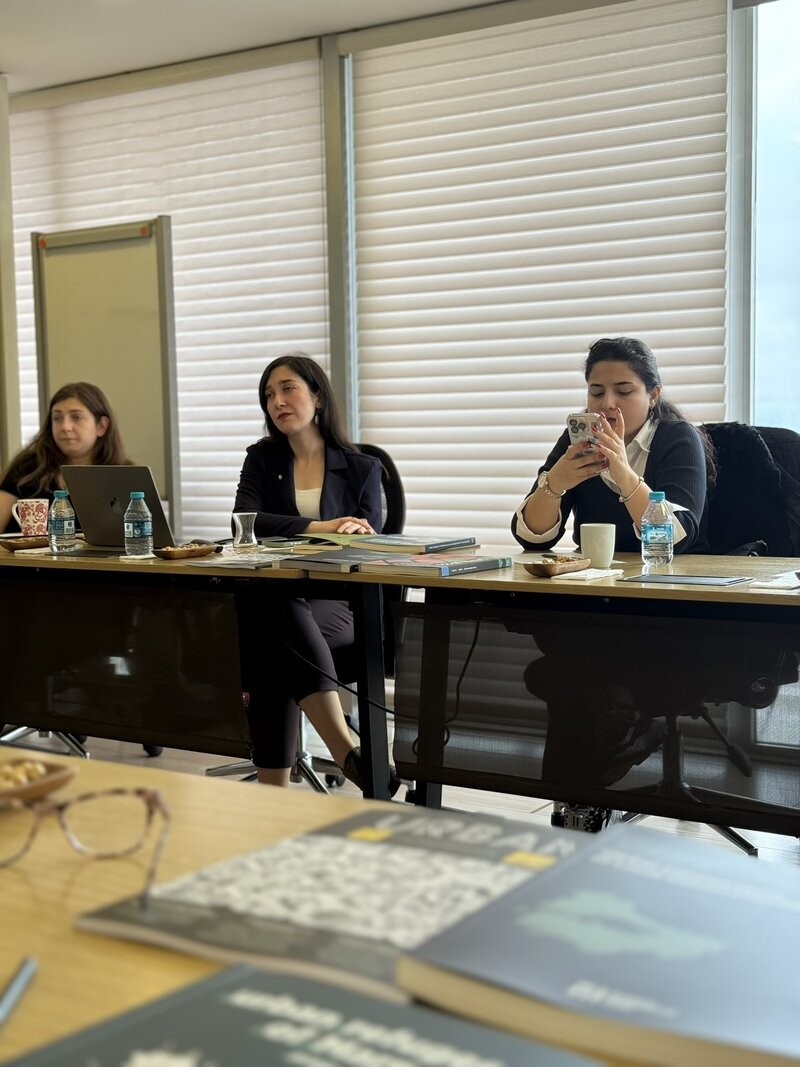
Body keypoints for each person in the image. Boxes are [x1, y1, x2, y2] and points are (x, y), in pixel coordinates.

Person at [233, 352, 394, 793]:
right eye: (269, 395)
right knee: (275, 614)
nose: (278, 401)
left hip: (341, 601)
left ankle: (274, 790)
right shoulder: (262, 459)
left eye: (288, 389)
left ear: (318, 398)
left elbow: (369, 541)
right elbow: (246, 520)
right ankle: (346, 750)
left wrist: (346, 533)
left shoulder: (362, 469)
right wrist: (322, 527)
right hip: (280, 597)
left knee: (271, 628)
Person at [512, 336, 711, 554]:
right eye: (596, 392)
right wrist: (554, 483)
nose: (607, 403)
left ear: (653, 395)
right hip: (596, 572)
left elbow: (675, 540)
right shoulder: (579, 439)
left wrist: (624, 475)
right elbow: (531, 538)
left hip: (667, 572)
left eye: (623, 391)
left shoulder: (679, 437)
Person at [0, 381, 131, 534]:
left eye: (76, 417)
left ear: (101, 426)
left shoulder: (124, 475)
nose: (65, 427)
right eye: (57, 418)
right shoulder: (28, 467)